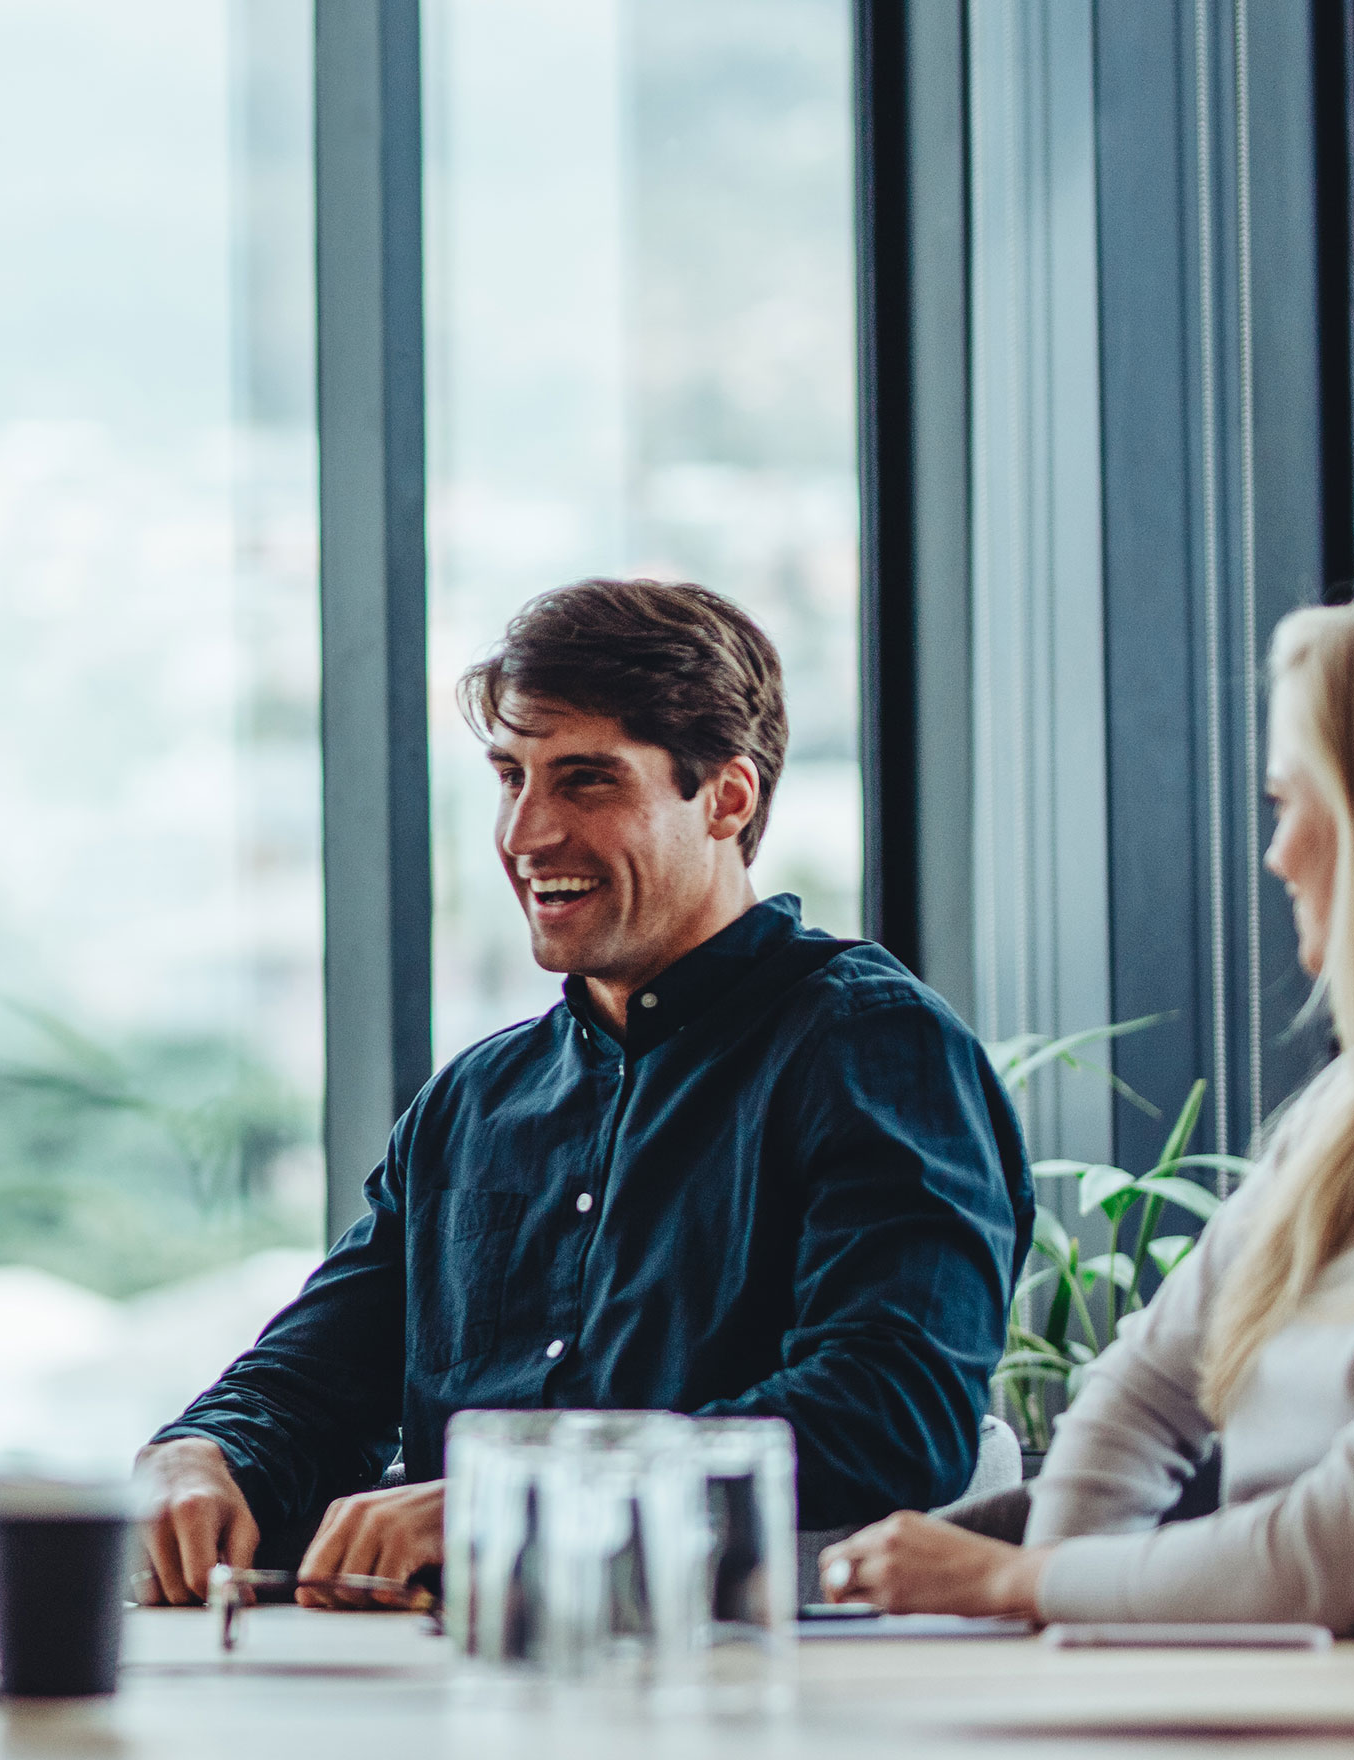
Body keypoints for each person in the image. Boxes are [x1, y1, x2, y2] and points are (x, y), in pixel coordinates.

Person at [141, 579, 1028, 1607]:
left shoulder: (873, 1047)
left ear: (727, 798)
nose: (526, 833)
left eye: (587, 782)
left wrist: (515, 1498)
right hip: (447, 1689)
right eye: (510, 777)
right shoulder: (474, 1101)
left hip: (753, 1694)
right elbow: (313, 1379)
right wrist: (200, 1451)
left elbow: (890, 1415)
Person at [825, 573, 1354, 1634]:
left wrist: (1019, 1582)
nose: (1278, 854)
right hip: (1282, 1692)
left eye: (1295, 804)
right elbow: (1143, 1393)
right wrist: (1070, 1618)